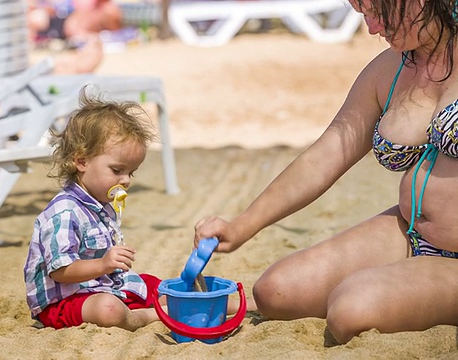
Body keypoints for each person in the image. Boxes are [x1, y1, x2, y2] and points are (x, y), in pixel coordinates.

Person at [194, 0, 458, 345]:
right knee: (276, 291)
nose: (373, 28)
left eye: (379, 13)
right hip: (409, 233)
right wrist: (241, 225)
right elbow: (327, 154)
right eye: (364, 14)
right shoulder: (389, 69)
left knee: (352, 310)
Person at [23, 86, 163, 331]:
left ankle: (240, 304)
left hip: (99, 286)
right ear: (82, 161)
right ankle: (149, 317)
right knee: (109, 309)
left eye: (131, 172)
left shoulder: (101, 203)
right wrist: (104, 264)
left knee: (160, 287)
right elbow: (61, 271)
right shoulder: (64, 212)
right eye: (117, 170)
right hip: (62, 301)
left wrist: (107, 268)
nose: (127, 180)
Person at [26, 0, 123, 74]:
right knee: (36, 18)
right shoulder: (96, 10)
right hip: (61, 22)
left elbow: (73, 29)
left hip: (61, 27)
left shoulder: (98, 15)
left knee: (36, 19)